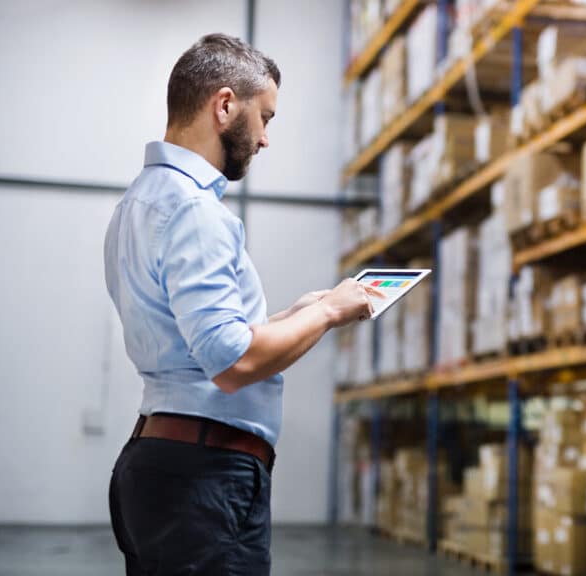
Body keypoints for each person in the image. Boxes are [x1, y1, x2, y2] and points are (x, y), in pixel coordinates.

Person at [104, 33, 380, 575]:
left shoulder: (138, 202)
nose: (265, 139)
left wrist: (293, 316)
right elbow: (232, 363)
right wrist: (328, 314)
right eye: (266, 118)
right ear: (225, 105)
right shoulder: (195, 213)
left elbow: (198, 341)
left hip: (161, 465)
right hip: (204, 480)